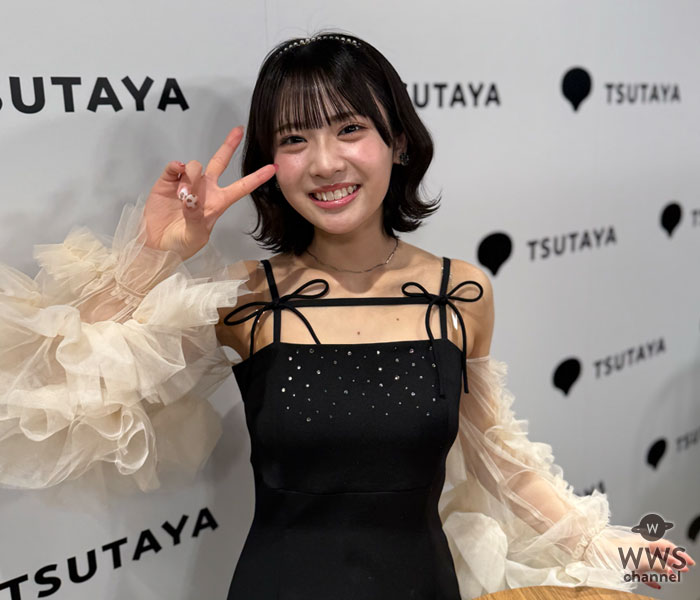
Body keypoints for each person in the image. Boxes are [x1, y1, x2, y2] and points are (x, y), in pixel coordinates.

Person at [0, 31, 694, 599]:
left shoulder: (461, 292)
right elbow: (58, 387)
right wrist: (157, 254)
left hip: (421, 585)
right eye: (295, 140)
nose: (325, 163)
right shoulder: (246, 297)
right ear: (272, 163)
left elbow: (502, 465)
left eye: (350, 129)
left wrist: (610, 546)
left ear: (398, 141)